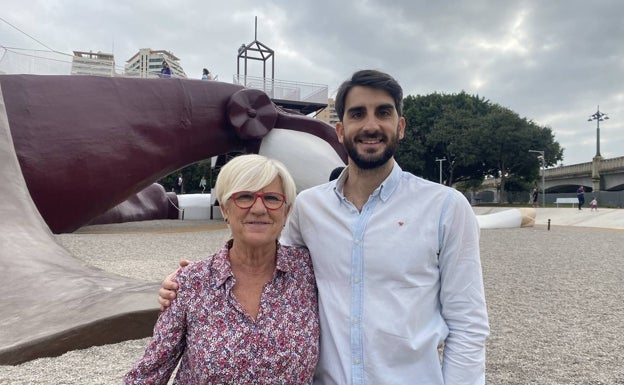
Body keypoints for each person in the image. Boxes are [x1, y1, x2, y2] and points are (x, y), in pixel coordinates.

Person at [159, 69, 489, 384]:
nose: (371, 125)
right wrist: (191, 283)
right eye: (358, 114)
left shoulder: (445, 207)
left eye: (383, 113)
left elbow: (468, 325)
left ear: (400, 126)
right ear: (340, 130)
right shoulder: (309, 207)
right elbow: (269, 264)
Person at [124, 154, 319, 384]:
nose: (258, 208)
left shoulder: (309, 271)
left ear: (285, 211)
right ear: (225, 209)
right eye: (245, 197)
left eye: (272, 198)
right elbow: (148, 374)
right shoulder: (191, 282)